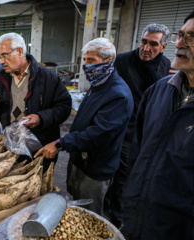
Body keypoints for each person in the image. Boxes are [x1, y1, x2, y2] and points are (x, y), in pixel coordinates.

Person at [35, 38, 134, 216]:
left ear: (108, 61)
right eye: (85, 60)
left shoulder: (118, 95)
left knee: (89, 215)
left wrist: (60, 144)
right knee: (77, 204)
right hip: (80, 159)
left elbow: (98, 134)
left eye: (92, 60)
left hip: (95, 168)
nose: (86, 65)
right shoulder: (98, 84)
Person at [122, 11, 194, 240]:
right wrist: (131, 197)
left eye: (191, 37)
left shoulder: (163, 66)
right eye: (180, 35)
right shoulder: (159, 92)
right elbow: (138, 152)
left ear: (161, 47)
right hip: (138, 217)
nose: (181, 43)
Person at [104, 23, 171, 228]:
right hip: (123, 130)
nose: (146, 48)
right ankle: (116, 218)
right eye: (143, 41)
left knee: (138, 173)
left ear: (163, 47)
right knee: (123, 176)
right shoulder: (122, 61)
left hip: (149, 130)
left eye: (153, 44)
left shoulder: (166, 64)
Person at [0, 33, 72, 171]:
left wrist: (41, 118)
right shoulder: (4, 78)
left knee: (38, 187)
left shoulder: (48, 77)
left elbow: (64, 107)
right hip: (10, 148)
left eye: (4, 55)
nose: (0, 61)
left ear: (19, 51)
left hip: (39, 150)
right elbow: (1, 112)